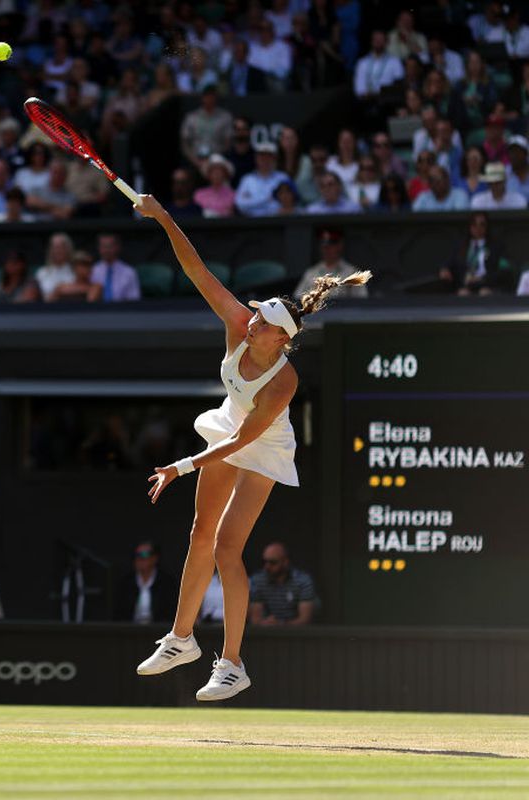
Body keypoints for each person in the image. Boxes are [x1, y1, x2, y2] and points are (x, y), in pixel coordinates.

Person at [132, 193, 369, 701]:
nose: (252, 320)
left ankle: (233, 664)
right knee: (200, 533)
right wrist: (163, 215)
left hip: (261, 445)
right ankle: (180, 639)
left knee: (226, 547)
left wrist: (180, 466)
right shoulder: (239, 325)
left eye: (263, 321)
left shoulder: (284, 383)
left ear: (280, 341)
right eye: (256, 315)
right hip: (227, 426)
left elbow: (243, 442)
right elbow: (195, 269)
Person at [439, 212, 510, 295]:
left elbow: (504, 269)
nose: (477, 228)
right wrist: (444, 269)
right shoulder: (461, 246)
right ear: (469, 226)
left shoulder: (496, 246)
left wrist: (483, 279)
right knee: (463, 294)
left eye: (482, 224)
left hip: (487, 285)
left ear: (487, 227)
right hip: (465, 285)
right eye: (474, 224)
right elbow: (448, 263)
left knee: (484, 293)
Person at [248, 542, 318, 625]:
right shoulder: (256, 581)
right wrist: (266, 623)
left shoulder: (302, 581)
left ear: (286, 562)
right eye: (264, 562)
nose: (267, 566)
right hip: (264, 633)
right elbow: (255, 620)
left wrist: (280, 624)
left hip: (296, 634)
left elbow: (305, 620)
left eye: (273, 562)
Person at [294, 229, 368, 299]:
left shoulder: (352, 272)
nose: (327, 249)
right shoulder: (311, 273)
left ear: (340, 245)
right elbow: (297, 299)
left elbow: (362, 302)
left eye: (332, 244)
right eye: (324, 245)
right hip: (316, 311)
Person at [120, 541, 179, 623]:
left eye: (144, 554)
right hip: (130, 630)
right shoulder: (126, 583)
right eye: (136, 555)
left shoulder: (167, 583)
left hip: (158, 630)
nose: (139, 559)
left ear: (155, 558)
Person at [234, 142, 289, 217]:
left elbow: (287, 204)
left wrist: (252, 201)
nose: (265, 160)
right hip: (252, 223)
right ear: (256, 159)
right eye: (262, 156)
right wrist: (267, 199)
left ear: (275, 159)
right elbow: (240, 204)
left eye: (269, 157)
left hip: (277, 222)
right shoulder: (247, 179)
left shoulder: (282, 178)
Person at [91, 234, 141, 302]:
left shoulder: (129, 272)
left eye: (109, 246)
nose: (106, 250)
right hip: (95, 310)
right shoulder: (92, 270)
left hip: (122, 310)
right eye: (103, 246)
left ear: (117, 247)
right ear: (99, 248)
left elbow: (134, 299)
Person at [34, 232, 75, 298]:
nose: (58, 251)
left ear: (68, 249)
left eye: (61, 247)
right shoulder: (42, 272)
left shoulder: (76, 271)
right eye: (55, 247)